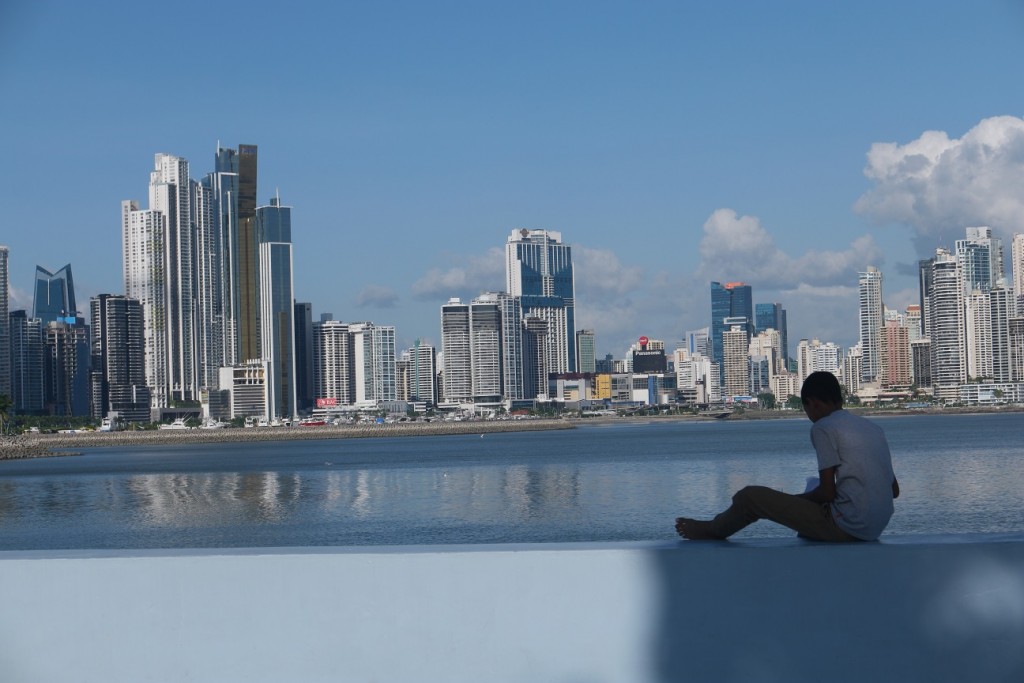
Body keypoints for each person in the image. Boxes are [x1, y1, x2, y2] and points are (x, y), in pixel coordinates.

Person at [675, 371, 900, 542]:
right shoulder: (871, 428)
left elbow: (827, 492)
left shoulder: (823, 427)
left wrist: (794, 500)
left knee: (750, 497)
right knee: (812, 487)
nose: (809, 415)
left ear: (813, 403)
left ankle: (711, 529)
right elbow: (894, 491)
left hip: (848, 527)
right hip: (874, 528)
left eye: (806, 409)